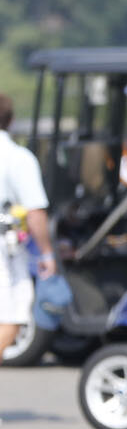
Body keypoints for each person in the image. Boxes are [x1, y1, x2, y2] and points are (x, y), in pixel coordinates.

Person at [0, 92, 58, 356]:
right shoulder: (17, 158)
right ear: (11, 121)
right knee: (11, 318)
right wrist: (46, 252)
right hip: (5, 248)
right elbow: (35, 213)